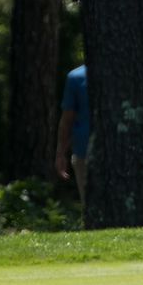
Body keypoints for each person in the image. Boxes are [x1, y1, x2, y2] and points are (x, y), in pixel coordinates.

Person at [55, 64, 89, 205]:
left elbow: (67, 120)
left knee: (89, 202)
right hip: (84, 153)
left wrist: (61, 153)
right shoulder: (76, 77)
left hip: (84, 150)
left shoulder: (76, 76)